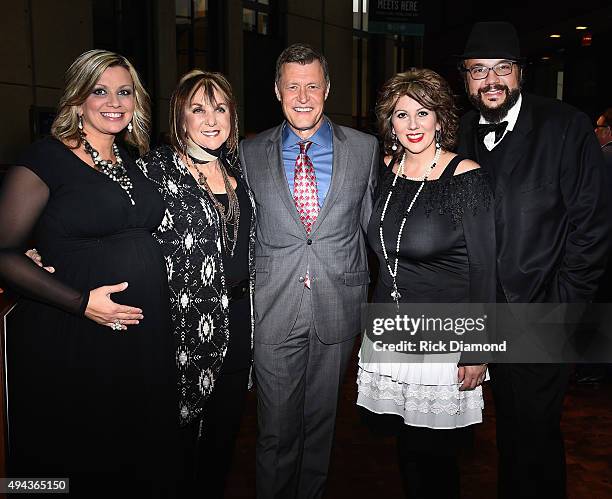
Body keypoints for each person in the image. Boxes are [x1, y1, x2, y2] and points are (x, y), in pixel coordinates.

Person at [0, 50, 177, 497]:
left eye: (124, 91)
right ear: (77, 100)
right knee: (70, 461)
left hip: (138, 342)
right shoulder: (45, 158)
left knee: (130, 458)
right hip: (73, 337)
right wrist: (82, 304)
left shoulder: (132, 163)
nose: (113, 101)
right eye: (99, 90)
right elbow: (2, 251)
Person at [456, 22, 610, 499]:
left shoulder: (564, 126)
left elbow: (593, 226)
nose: (491, 80)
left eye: (503, 68)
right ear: (465, 77)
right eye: (479, 71)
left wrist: (565, 307)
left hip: (542, 310)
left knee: (534, 439)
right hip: (475, 315)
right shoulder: (456, 132)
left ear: (521, 73)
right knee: (500, 439)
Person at [239, 43, 379, 498]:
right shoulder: (247, 152)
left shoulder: (364, 149)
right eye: (293, 86)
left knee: (322, 430)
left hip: (338, 307)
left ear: (328, 89)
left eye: (312, 85)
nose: (303, 96)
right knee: (275, 432)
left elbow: (376, 230)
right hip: (274, 309)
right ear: (277, 90)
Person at [356, 68, 494, 499]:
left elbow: (485, 270)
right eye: (402, 115)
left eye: (423, 112)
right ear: (389, 122)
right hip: (392, 332)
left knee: (436, 460)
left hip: (443, 340)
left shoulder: (464, 174)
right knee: (407, 454)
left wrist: (477, 349)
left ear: (440, 118)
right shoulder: (384, 171)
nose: (413, 125)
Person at [137, 69, 256, 498]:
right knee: (176, 443)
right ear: (179, 117)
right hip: (180, 328)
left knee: (222, 440)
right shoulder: (156, 170)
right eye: (198, 108)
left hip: (240, 323)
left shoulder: (238, 169)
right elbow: (112, 224)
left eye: (220, 108)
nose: (211, 119)